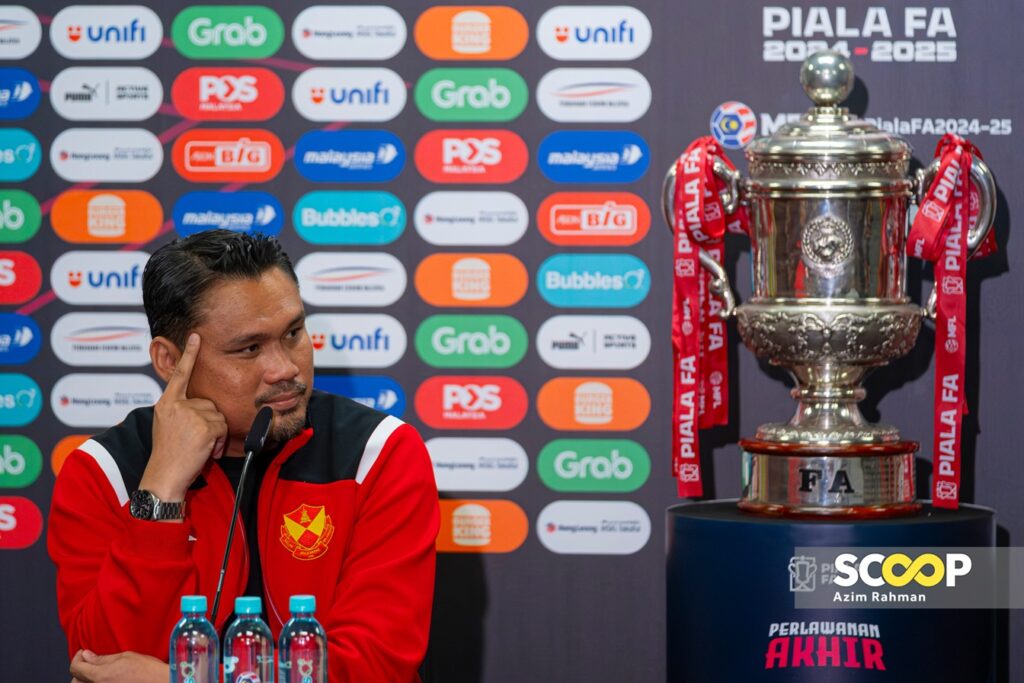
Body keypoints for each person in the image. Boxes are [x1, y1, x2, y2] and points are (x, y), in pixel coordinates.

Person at [47, 230, 440, 683]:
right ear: (170, 361)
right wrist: (161, 489)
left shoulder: (378, 454)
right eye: (249, 349)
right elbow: (104, 664)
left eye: (293, 333)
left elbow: (376, 667)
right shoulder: (103, 473)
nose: (285, 369)